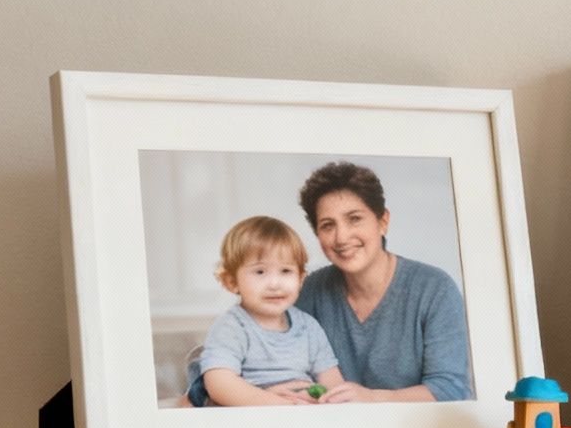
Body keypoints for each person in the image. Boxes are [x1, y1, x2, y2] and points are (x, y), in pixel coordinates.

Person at [293, 160, 473, 403]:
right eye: (327, 225)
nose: (341, 237)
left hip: (417, 427)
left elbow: (449, 390)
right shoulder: (310, 291)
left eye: (354, 219)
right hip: (335, 425)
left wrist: (372, 399)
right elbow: (284, 366)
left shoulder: (435, 289)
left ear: (382, 222)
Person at [196, 216, 346, 407]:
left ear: (300, 279)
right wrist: (279, 405)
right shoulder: (232, 327)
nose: (275, 284)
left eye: (286, 271)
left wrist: (332, 404)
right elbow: (219, 384)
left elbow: (332, 382)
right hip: (256, 417)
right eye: (260, 272)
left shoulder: (308, 326)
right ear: (232, 281)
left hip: (306, 415)